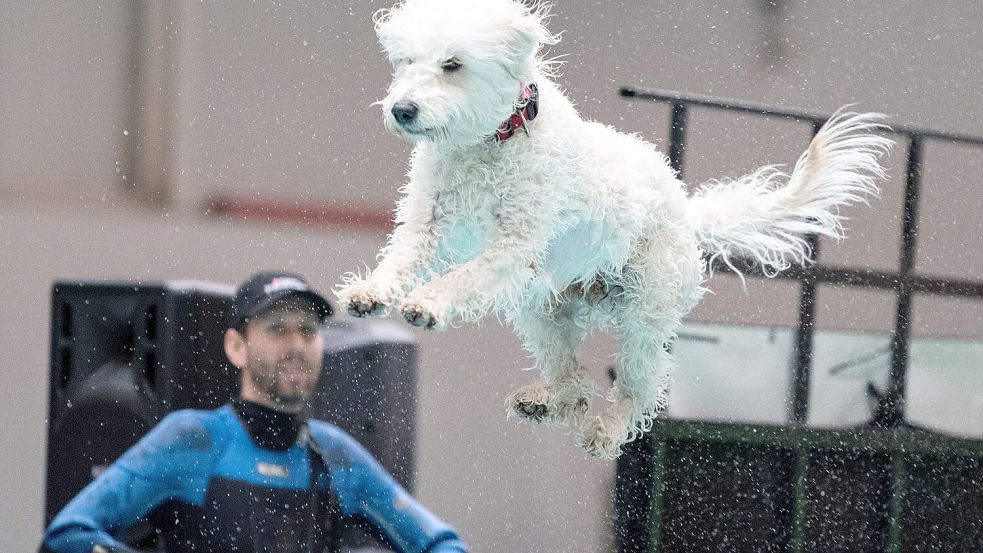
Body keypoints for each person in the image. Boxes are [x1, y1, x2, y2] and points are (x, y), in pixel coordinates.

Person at [42, 271, 468, 553]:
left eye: (307, 331)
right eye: (277, 328)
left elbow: (444, 545)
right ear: (236, 347)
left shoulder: (336, 455)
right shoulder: (192, 439)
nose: (297, 345)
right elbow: (67, 537)